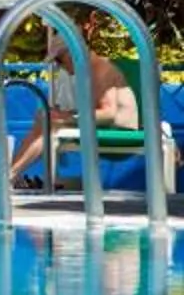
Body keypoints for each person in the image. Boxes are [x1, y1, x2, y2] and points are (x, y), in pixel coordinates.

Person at [9, 12, 139, 186]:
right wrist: (64, 115)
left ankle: (10, 175)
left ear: (71, 53)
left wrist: (68, 118)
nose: (59, 66)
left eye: (59, 60)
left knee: (52, 125)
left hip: (121, 131)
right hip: (104, 126)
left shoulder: (99, 69)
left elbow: (109, 114)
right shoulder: (89, 70)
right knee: (44, 116)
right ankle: (11, 174)